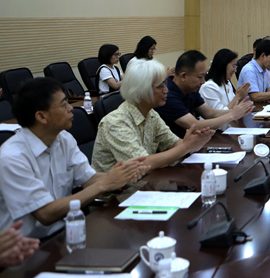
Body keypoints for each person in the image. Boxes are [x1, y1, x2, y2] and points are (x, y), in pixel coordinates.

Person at [0, 78, 147, 238]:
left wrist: (124, 175)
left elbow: (89, 179)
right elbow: (45, 214)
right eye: (64, 104)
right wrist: (105, 184)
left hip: (67, 230)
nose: (71, 108)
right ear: (42, 116)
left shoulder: (63, 138)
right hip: (28, 245)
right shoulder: (12, 157)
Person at [92, 59, 216, 172]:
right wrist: (186, 147)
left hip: (146, 183)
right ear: (141, 90)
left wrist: (194, 142)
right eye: (161, 86)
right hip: (117, 189)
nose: (166, 90)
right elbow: (142, 164)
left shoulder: (151, 114)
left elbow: (173, 142)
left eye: (165, 85)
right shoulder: (115, 123)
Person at [154, 50, 254, 138]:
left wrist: (238, 110)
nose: (203, 81)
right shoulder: (167, 94)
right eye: (200, 77)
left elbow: (210, 114)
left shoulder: (190, 89)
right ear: (184, 76)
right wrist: (232, 115)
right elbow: (194, 125)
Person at [200, 49, 251, 130]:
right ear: (223, 65)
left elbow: (233, 108)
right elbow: (220, 115)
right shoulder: (208, 87)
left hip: (229, 129)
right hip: (215, 132)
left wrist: (242, 101)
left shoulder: (227, 83)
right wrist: (237, 97)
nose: (235, 70)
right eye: (233, 66)